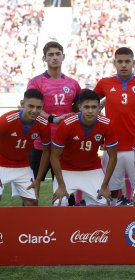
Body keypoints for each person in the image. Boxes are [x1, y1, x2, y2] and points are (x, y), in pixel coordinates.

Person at [94, 47, 135, 206]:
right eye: (120, 62)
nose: (123, 65)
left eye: (127, 61)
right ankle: (113, 222)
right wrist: (98, 110)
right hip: (112, 147)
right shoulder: (104, 83)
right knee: (112, 189)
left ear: (133, 63)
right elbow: (88, 104)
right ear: (114, 63)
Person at [27, 41, 81, 202]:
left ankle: (66, 227)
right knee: (31, 192)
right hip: (39, 144)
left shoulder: (73, 84)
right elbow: (32, 108)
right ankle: (29, 225)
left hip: (65, 145)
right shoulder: (36, 82)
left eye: (58, 54)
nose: (55, 57)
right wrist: (51, 119)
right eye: (50, 54)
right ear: (44, 58)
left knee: (65, 193)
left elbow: (79, 109)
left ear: (63, 57)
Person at [50, 89, 117, 206]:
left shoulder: (107, 124)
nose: (90, 111)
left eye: (94, 107)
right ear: (80, 107)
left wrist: (105, 186)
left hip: (92, 169)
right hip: (67, 169)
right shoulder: (67, 124)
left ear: (99, 108)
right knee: (59, 203)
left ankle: (94, 225)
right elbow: (54, 156)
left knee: (104, 202)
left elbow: (113, 156)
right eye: (86, 107)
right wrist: (61, 185)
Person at [0, 89, 51, 206]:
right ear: (22, 104)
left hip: (22, 166)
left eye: (39, 107)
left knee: (32, 202)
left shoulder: (43, 124)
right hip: (1, 163)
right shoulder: (6, 120)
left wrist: (38, 180)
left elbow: (47, 151)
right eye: (31, 106)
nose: (34, 110)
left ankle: (27, 225)